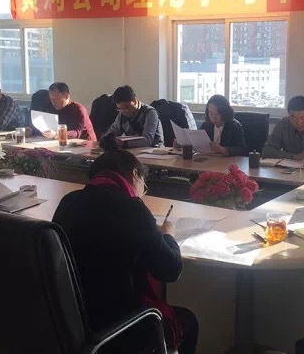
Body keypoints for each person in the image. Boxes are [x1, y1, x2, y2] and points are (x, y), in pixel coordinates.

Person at [52, 133, 198, 353]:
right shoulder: (133, 209)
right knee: (188, 321)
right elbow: (170, 270)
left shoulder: (68, 202)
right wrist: (168, 235)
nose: (142, 193)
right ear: (135, 175)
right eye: (144, 185)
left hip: (71, 320)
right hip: (120, 324)